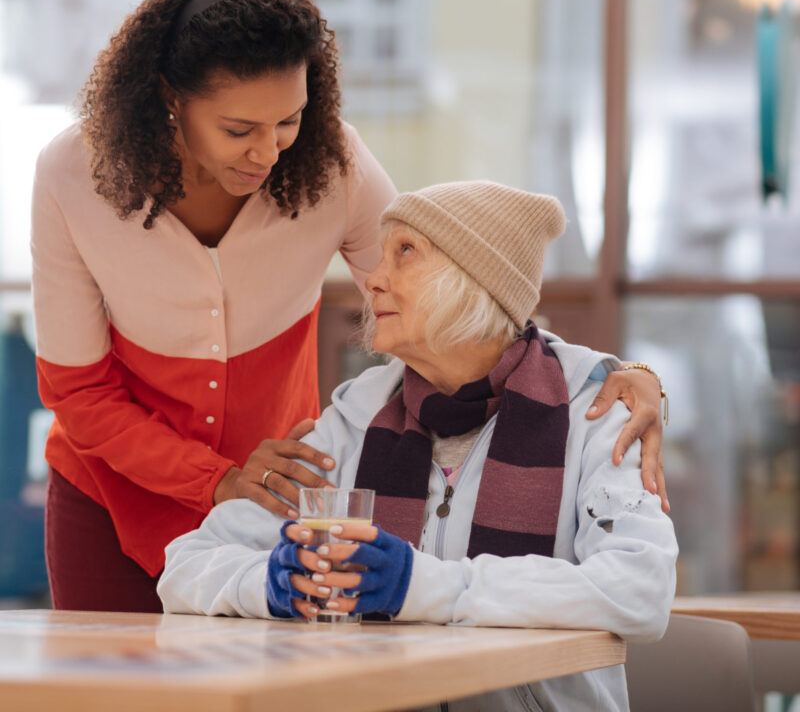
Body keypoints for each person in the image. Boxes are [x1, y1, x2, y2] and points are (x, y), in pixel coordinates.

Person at [32, 0, 667, 615]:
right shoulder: (73, 177)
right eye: (238, 129)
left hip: (274, 489)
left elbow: (448, 300)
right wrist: (214, 478)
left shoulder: (332, 164)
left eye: (289, 120)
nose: (269, 151)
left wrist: (605, 376)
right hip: (110, 493)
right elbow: (78, 390)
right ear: (170, 96)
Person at [158, 182, 678, 711]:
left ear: (477, 281)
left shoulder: (595, 411)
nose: (374, 281)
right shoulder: (354, 419)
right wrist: (269, 583)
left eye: (405, 253)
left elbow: (641, 588)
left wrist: (423, 586)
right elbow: (185, 567)